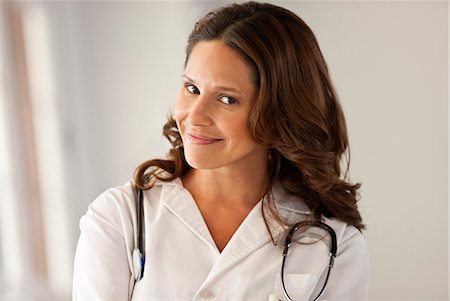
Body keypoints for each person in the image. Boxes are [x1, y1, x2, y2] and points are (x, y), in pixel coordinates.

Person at [72, 1, 369, 300]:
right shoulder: (118, 219)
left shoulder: (335, 244)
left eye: (227, 99)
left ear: (279, 112)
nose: (195, 116)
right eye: (192, 89)